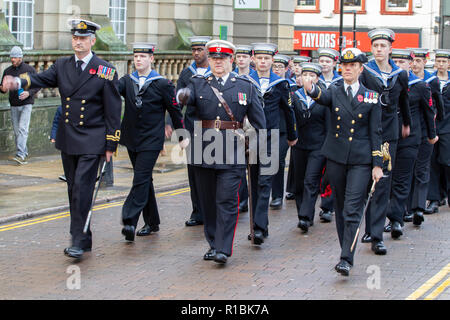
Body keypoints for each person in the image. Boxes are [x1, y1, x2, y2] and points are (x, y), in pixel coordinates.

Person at [2, 19, 122, 259]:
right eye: (75, 38)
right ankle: (84, 237)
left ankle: (77, 240)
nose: (78, 42)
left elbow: (113, 109)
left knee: (82, 187)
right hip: (69, 138)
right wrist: (17, 82)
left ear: (92, 41)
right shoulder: (62, 65)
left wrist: (111, 143)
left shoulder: (104, 70)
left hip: (92, 138)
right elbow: (40, 78)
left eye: (83, 38)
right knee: (72, 189)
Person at [177, 39, 266, 264]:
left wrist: (257, 147)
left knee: (226, 200)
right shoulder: (197, 83)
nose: (218, 62)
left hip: (233, 150)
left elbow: (259, 121)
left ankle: (223, 249)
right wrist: (183, 135)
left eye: (223, 58)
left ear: (231, 60)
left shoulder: (245, 85)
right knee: (207, 201)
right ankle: (213, 242)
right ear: (210, 60)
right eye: (214, 58)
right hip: (203, 149)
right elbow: (185, 110)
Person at [304, 47, 384, 276]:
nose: (347, 69)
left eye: (352, 66)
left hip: (361, 160)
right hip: (337, 157)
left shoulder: (371, 96)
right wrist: (310, 88)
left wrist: (377, 164)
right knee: (340, 207)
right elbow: (323, 96)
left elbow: (375, 132)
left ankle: (346, 258)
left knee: (352, 208)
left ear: (360, 69)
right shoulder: (335, 90)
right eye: (345, 65)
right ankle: (345, 247)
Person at [119, 43, 184, 241]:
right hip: (131, 138)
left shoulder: (162, 84)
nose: (138, 59)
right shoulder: (126, 82)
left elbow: (174, 110)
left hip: (152, 140)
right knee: (144, 179)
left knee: (140, 178)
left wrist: (181, 136)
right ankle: (152, 221)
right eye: (136, 56)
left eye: (142, 56)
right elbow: (109, 94)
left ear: (151, 59)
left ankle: (129, 219)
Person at [359, 28, 412, 255]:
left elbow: (403, 101)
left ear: (390, 49)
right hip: (366, 134)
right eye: (375, 46)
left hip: (388, 135)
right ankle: (370, 227)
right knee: (365, 184)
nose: (379, 50)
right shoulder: (365, 72)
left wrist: (406, 124)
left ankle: (377, 235)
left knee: (383, 184)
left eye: (383, 46)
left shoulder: (399, 74)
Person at [247, 43, 298, 245]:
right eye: (259, 58)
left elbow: (288, 110)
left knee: (264, 181)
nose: (262, 62)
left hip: (271, 138)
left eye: (266, 59)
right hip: (251, 137)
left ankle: (259, 228)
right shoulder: (246, 80)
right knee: (253, 181)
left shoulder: (280, 84)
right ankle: (258, 225)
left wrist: (292, 135)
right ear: (254, 60)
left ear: (272, 61)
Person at [384, 49, 437, 238]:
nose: (398, 66)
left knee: (402, 180)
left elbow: (429, 111)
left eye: (402, 63)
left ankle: (396, 220)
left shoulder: (420, 86)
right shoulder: (387, 83)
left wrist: (432, 135)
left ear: (410, 64)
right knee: (387, 179)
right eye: (395, 62)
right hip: (389, 138)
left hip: (411, 138)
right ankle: (392, 215)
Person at [405, 48, 443, 225]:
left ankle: (419, 208)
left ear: (424, 62)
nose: (415, 64)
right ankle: (407, 208)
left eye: (419, 61)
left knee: (422, 169)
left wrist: (434, 128)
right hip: (409, 132)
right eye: (413, 61)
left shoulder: (431, 81)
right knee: (407, 170)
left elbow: (437, 105)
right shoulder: (404, 80)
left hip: (425, 131)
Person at [176, 36, 211, 227]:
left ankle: (211, 209)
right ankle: (198, 211)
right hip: (192, 128)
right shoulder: (186, 73)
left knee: (212, 172)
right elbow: (176, 103)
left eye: (200, 49)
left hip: (212, 129)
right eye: (194, 50)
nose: (196, 53)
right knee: (194, 173)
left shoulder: (215, 71)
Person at [292, 62, 330, 233]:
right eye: (304, 75)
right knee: (299, 182)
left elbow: (329, 124)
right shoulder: (294, 96)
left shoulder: (324, 97)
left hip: (318, 145)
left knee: (311, 180)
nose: (307, 79)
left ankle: (305, 217)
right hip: (299, 144)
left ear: (317, 79)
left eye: (311, 76)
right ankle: (302, 211)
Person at [0, 46, 40, 165]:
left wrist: (29, 93)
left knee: (23, 128)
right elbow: (3, 89)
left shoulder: (29, 69)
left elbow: (38, 84)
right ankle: (24, 152)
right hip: (14, 104)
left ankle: (21, 154)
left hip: (27, 103)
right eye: (12, 57)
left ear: (21, 57)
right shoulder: (7, 71)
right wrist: (3, 87)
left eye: (15, 57)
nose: (13, 59)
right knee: (17, 130)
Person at [317, 47, 343, 223]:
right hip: (317, 132)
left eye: (328, 61)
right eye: (322, 61)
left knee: (331, 171)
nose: (324, 64)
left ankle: (328, 205)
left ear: (335, 63)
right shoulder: (314, 81)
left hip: (336, 131)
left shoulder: (341, 82)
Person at [270, 54, 297, 210]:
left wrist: (292, 133)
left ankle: (277, 195)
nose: (277, 70)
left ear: (286, 69)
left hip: (282, 130)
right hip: (267, 129)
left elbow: (290, 111)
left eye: (280, 67)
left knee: (277, 160)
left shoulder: (286, 85)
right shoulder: (267, 83)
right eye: (275, 66)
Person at [234, 44, 258, 214]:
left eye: (244, 56)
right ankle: (241, 199)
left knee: (253, 166)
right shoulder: (231, 77)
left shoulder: (255, 79)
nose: (241, 59)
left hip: (252, 127)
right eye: (238, 56)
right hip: (235, 128)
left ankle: (251, 198)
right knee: (238, 165)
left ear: (251, 59)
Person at [427, 49, 450, 213]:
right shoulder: (429, 80)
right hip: (433, 127)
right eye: (438, 61)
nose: (441, 64)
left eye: (444, 61)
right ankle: (434, 199)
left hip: (448, 127)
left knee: (447, 162)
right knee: (432, 163)